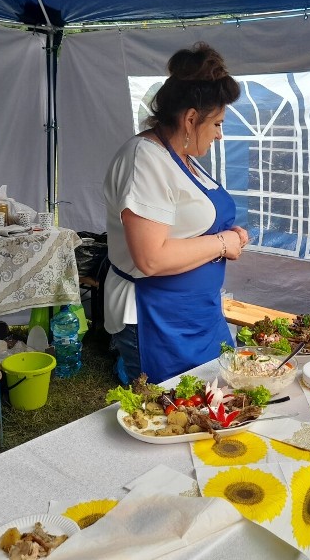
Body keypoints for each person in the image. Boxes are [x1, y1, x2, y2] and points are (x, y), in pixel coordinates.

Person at [103, 42, 248, 384]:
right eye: (217, 124)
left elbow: (185, 227)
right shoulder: (144, 159)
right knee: (174, 418)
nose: (220, 135)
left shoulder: (182, 158)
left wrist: (228, 237)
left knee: (219, 399)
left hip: (198, 313)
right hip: (159, 319)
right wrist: (223, 242)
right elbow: (150, 258)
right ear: (191, 119)